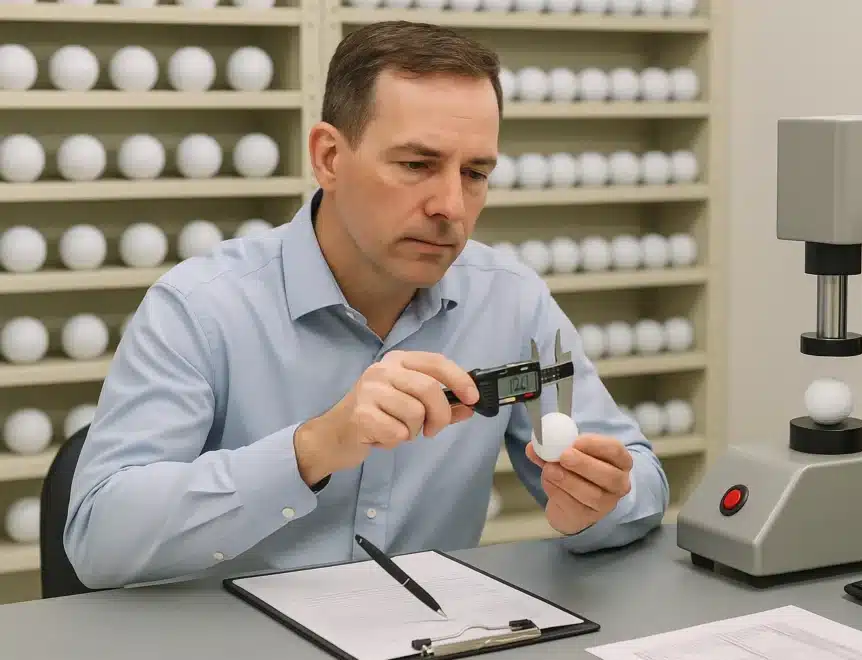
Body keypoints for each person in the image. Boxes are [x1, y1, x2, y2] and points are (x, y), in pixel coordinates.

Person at [63, 20, 670, 589]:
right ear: (329, 157)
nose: (451, 207)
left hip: (429, 646)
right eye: (416, 165)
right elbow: (98, 540)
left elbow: (639, 476)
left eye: (476, 173)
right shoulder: (199, 308)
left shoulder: (511, 298)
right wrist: (314, 448)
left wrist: (601, 500)